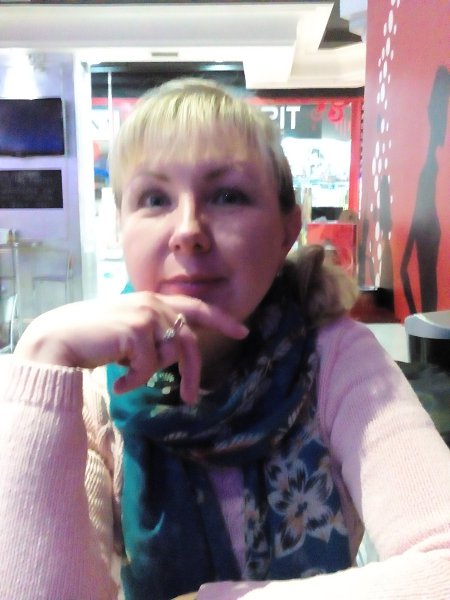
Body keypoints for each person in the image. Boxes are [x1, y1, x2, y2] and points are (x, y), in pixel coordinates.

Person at [0, 78, 449, 600]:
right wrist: (42, 354)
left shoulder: (334, 359)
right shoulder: (92, 388)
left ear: (287, 230)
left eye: (228, 195)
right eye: (154, 198)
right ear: (121, 227)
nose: (187, 230)